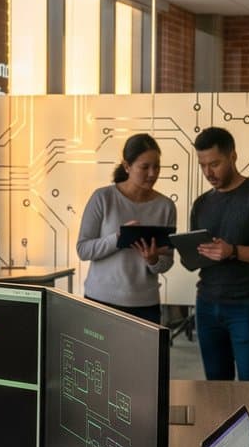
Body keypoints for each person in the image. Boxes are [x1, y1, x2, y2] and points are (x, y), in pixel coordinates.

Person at [187, 126, 249, 380]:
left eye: (215, 164)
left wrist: (232, 251)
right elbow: (193, 260)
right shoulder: (201, 204)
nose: (208, 172)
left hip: (247, 306)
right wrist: (188, 252)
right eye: (203, 165)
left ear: (233, 156)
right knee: (215, 384)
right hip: (207, 303)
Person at [75, 132, 175, 323]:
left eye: (156, 167)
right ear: (127, 166)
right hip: (101, 301)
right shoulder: (103, 198)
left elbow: (168, 261)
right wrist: (118, 238)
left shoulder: (166, 206)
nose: (152, 174)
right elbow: (83, 250)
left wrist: (153, 261)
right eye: (145, 167)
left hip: (146, 304)